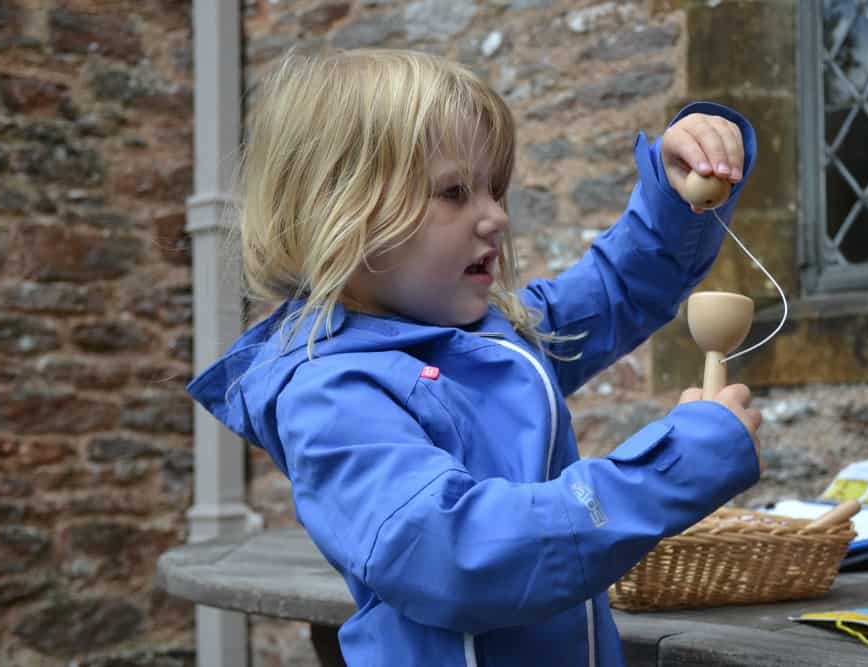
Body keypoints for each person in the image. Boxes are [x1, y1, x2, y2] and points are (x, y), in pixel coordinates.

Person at [188, 48, 762, 667]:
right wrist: (671, 468)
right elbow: (454, 554)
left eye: (495, 188)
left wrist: (677, 194)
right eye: (456, 192)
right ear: (341, 214)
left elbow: (619, 287)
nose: (495, 216)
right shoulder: (330, 394)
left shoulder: (500, 336)